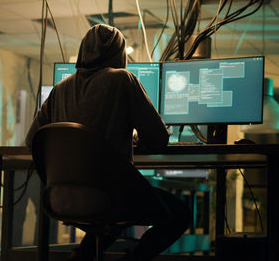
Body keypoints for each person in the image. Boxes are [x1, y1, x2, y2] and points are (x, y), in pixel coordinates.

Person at [25, 24, 191, 261]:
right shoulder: (123, 79)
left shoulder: (59, 89)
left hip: (60, 197)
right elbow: (158, 140)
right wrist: (133, 135)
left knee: (110, 217)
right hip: (107, 196)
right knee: (179, 214)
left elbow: (31, 140)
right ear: (120, 54)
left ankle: (81, 257)